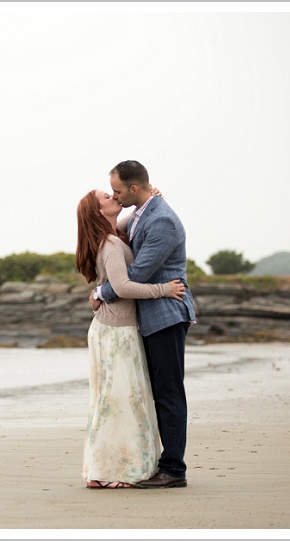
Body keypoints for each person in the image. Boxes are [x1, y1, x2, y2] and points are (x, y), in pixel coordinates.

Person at [90, 160, 196, 489]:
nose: (116, 196)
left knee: (169, 393)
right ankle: (163, 462)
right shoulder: (143, 213)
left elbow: (136, 275)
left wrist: (100, 292)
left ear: (134, 188)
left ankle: (174, 469)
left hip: (166, 315)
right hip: (151, 318)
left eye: (119, 191)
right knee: (159, 392)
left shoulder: (160, 219)